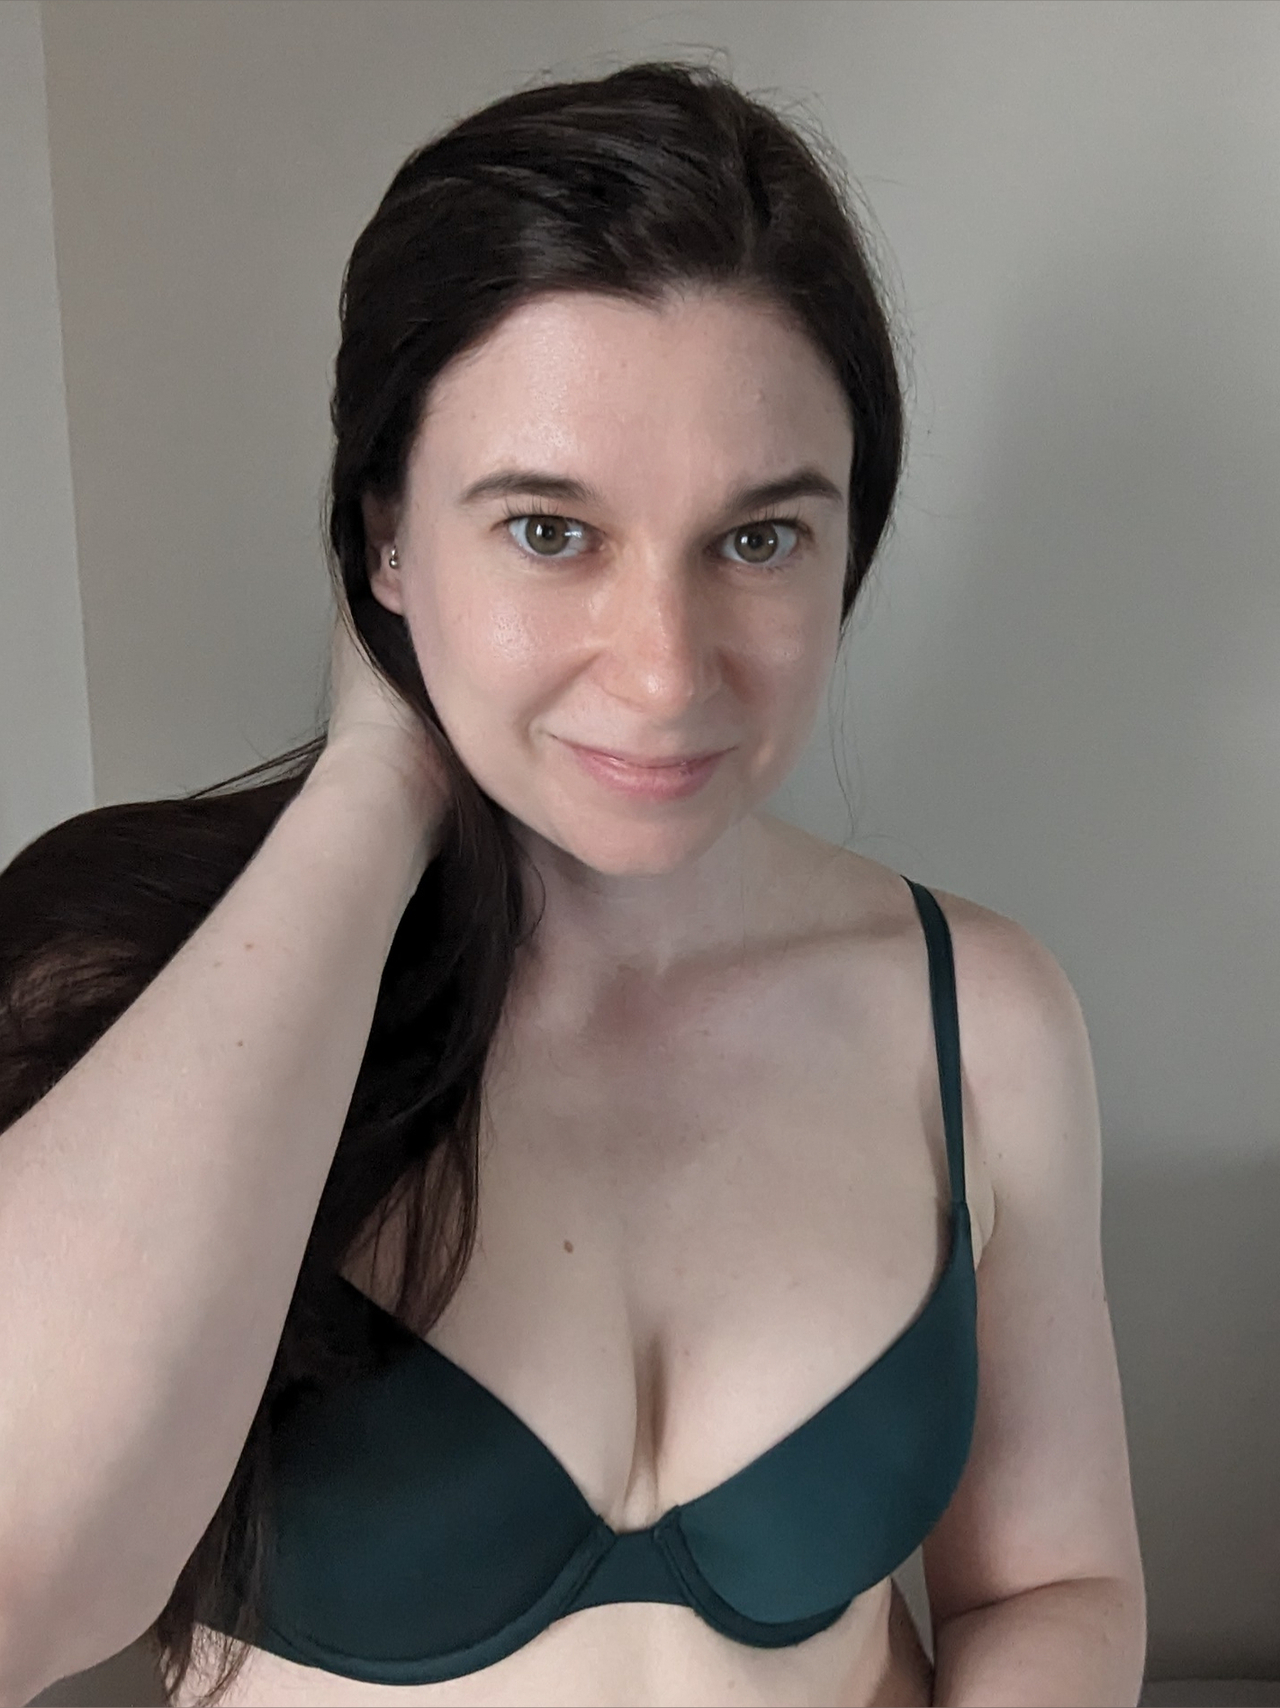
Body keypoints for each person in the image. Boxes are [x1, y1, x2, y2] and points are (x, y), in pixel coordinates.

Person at [0, 57, 1145, 1708]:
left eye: (758, 538)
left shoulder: (984, 1020)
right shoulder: (114, 974)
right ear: (386, 539)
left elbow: (1057, 1582)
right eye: (549, 531)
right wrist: (376, 788)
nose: (666, 672)